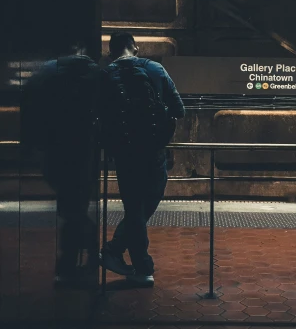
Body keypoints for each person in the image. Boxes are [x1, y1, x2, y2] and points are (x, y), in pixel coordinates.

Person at [99, 32, 185, 286]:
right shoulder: (155, 69)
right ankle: (136, 263)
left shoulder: (104, 76)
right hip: (154, 150)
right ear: (134, 47)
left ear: (111, 52)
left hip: (125, 154)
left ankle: (126, 257)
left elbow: (100, 117)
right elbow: (179, 109)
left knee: (134, 208)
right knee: (145, 205)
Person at [21, 40, 104, 286]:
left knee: (70, 206)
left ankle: (71, 261)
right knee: (75, 206)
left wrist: (31, 144)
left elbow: (29, 109)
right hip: (85, 148)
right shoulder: (97, 74)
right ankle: (85, 255)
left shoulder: (46, 72)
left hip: (54, 148)